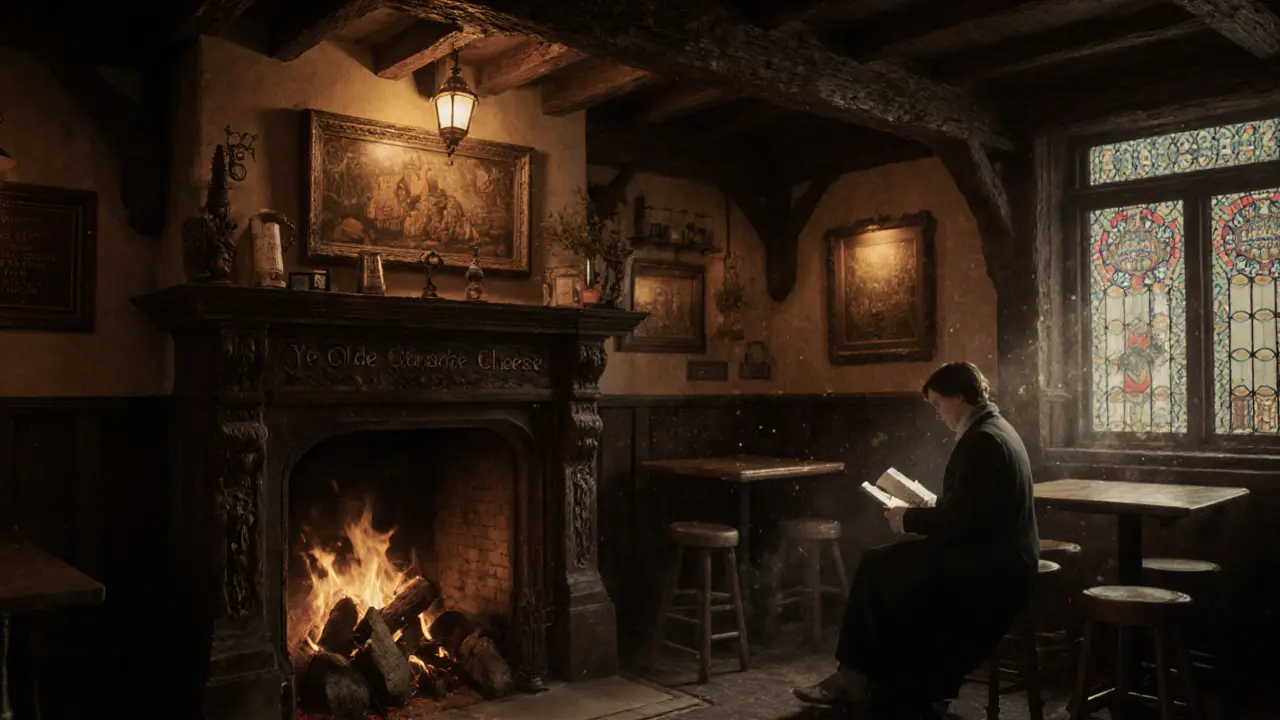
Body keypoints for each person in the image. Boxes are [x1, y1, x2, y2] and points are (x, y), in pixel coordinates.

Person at [792, 361, 1040, 718]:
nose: (937, 414)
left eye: (938, 404)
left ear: (960, 397)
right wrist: (931, 505)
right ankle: (888, 682)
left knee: (877, 568)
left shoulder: (983, 440)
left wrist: (907, 517)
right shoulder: (995, 429)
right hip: (997, 555)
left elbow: (961, 522)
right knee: (890, 566)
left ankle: (858, 679)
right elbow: (973, 510)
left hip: (991, 567)